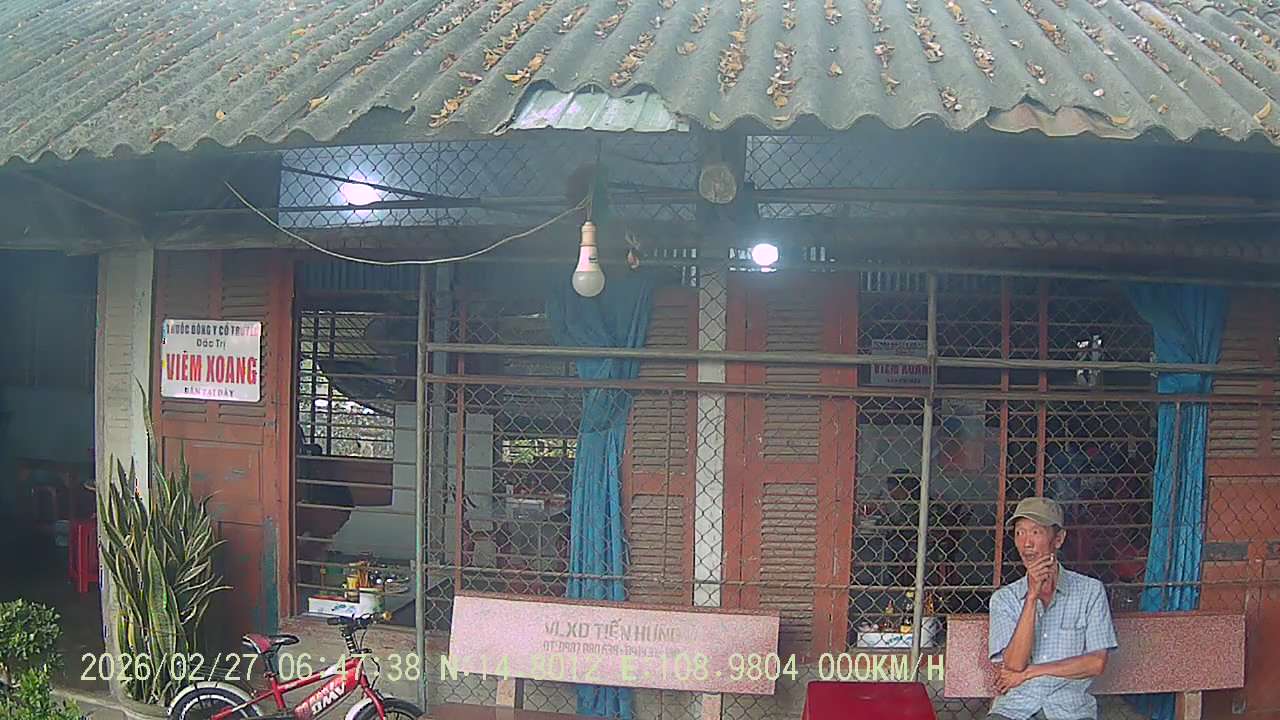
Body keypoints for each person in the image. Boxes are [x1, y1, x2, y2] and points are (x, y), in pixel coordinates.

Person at [987, 497, 1118, 720]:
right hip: (1016, 709)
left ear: (1058, 539)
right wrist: (1031, 598)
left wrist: (1030, 672)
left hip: (1070, 710)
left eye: (1035, 532)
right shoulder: (1004, 599)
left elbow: (1096, 663)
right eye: (1019, 533)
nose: (1026, 543)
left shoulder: (1090, 591)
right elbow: (1014, 665)